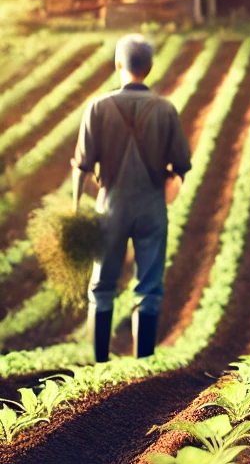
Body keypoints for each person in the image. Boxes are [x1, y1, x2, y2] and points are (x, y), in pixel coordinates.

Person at [71, 34, 192, 362]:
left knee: (102, 288)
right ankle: (142, 368)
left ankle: (100, 364)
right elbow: (181, 164)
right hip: (152, 206)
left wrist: (73, 211)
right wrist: (171, 185)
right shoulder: (165, 109)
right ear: (150, 68)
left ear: (117, 65)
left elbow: (81, 167)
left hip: (111, 206)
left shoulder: (98, 107)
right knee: (149, 290)